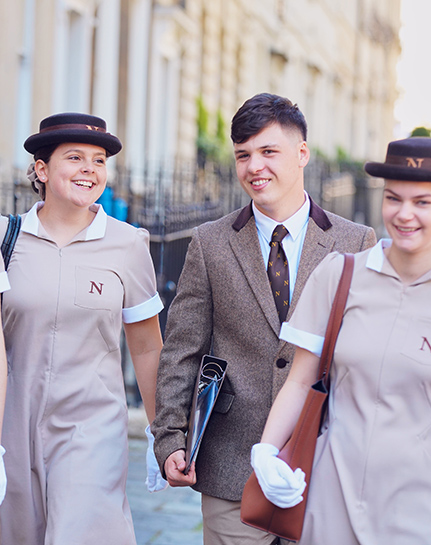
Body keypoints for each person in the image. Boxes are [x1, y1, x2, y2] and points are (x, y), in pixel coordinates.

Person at [251, 136, 431, 545]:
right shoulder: (339, 276)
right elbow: (299, 381)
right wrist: (265, 452)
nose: (404, 214)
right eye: (394, 199)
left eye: (422, 202)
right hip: (329, 504)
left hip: (422, 518)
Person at [152, 93, 377, 544]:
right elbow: (182, 349)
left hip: (323, 462)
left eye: (268, 151)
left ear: (302, 154)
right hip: (230, 466)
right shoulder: (210, 243)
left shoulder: (355, 242)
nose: (255, 166)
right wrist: (170, 439)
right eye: (243, 155)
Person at [0, 113, 166, 544]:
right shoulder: (5, 240)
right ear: (41, 169)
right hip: (13, 424)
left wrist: (161, 431)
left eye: (98, 160)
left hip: (91, 427)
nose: (89, 170)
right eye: (74, 158)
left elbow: (147, 346)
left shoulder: (129, 244)